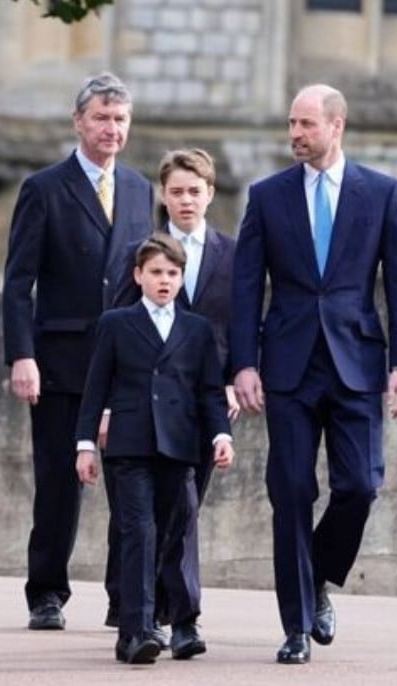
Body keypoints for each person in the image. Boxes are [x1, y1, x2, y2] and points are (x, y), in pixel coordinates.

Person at [230, 84, 397, 665]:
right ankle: (294, 628)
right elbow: (244, 287)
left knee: (360, 484)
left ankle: (317, 579)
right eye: (291, 123)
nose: (295, 134)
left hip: (356, 363)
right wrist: (243, 363)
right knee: (289, 492)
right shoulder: (266, 197)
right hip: (286, 366)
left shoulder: (382, 193)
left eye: (306, 124)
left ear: (337, 126)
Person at [1, 72, 153, 631]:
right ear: (79, 121)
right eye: (102, 118)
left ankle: (124, 597)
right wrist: (22, 355)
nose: (111, 129)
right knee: (60, 484)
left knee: (129, 481)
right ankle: (46, 592)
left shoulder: (140, 189)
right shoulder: (44, 187)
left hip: (125, 363)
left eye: (120, 120)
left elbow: (147, 277)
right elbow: (19, 282)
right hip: (61, 360)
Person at [76, 234, 233, 664]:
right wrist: (86, 444)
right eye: (156, 273)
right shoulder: (115, 323)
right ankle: (137, 631)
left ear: (181, 279)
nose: (164, 281)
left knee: (175, 530)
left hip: (180, 446)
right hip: (129, 446)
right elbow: (95, 389)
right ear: (138, 276)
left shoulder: (196, 329)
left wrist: (221, 435)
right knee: (138, 533)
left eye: (172, 273)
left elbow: (209, 392)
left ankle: (182, 622)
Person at [112, 149, 239, 634]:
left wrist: (237, 378)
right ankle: (157, 613)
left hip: (207, 404)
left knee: (185, 510)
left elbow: (245, 323)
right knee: (149, 512)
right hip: (145, 409)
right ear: (162, 196)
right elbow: (117, 330)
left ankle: (166, 610)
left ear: (210, 194)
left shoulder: (233, 254)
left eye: (195, 191)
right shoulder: (141, 256)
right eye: (177, 191)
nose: (186, 200)